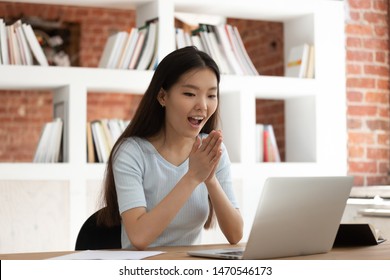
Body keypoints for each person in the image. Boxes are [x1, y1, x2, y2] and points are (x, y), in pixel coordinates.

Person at [98, 46, 243, 250]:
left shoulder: (211, 149)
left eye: (211, 95)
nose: (203, 105)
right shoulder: (132, 152)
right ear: (162, 97)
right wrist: (193, 177)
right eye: (190, 93)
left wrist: (209, 178)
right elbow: (139, 237)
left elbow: (235, 234)